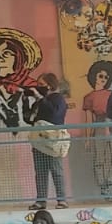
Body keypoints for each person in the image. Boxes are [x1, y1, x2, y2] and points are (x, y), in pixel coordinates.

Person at [80, 60, 112, 199]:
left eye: (106, 77)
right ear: (94, 77)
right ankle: (103, 185)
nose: (103, 79)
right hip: (98, 125)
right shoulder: (89, 97)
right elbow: (88, 120)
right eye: (100, 76)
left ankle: (110, 183)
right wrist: (87, 139)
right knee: (99, 158)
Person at [30, 73, 69, 212]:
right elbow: (31, 117)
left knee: (56, 170)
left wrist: (40, 98)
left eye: (41, 85)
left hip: (53, 140)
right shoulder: (41, 100)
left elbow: (54, 114)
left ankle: (62, 199)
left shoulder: (58, 99)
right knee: (40, 172)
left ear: (50, 85)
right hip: (39, 140)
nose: (39, 87)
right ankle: (41, 200)